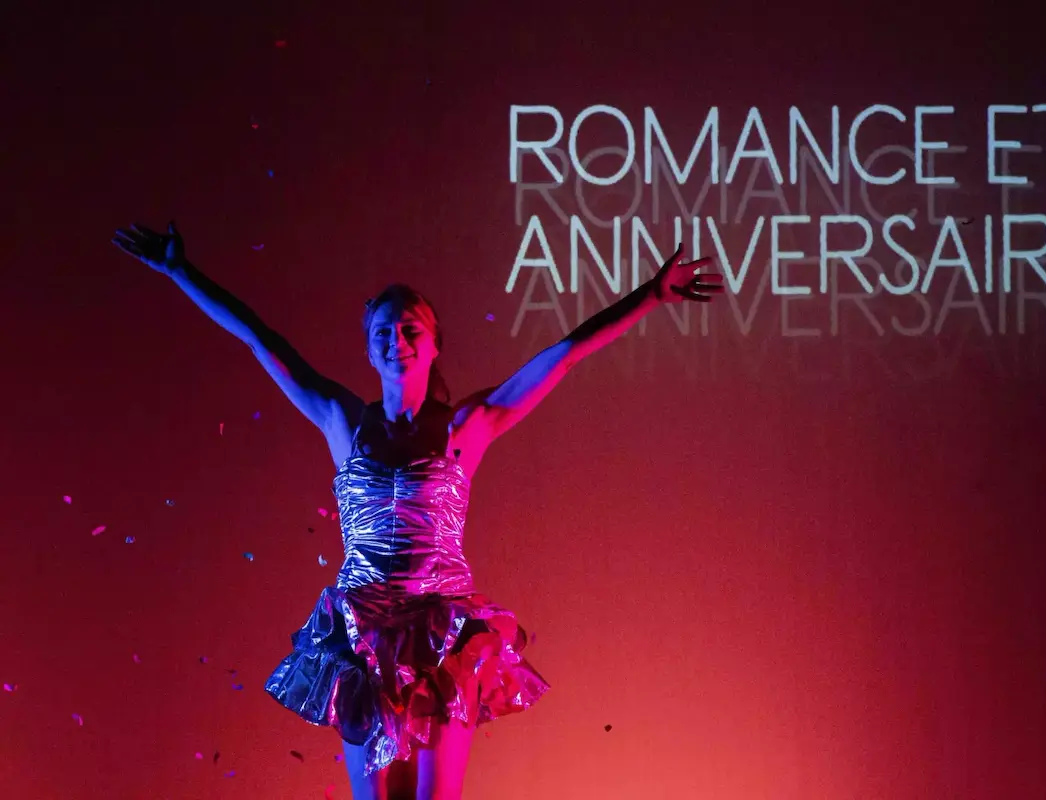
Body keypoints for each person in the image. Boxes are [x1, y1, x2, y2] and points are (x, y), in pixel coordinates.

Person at [111, 221, 724, 800]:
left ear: (434, 346)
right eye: (383, 333)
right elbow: (261, 340)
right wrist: (182, 272)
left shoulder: (466, 427)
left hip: (443, 632)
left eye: (410, 331)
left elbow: (562, 356)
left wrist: (649, 297)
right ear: (368, 349)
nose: (396, 342)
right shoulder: (343, 422)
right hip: (362, 632)